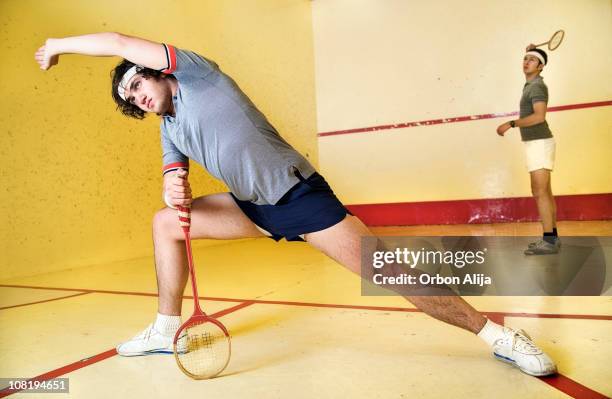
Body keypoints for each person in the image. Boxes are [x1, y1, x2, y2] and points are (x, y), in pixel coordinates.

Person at [35, 32, 556, 376]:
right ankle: (167, 326)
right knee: (165, 222)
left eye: (136, 82)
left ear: (157, 72)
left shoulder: (197, 73)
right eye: (129, 99)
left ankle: (499, 336)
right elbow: (176, 177)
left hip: (298, 196)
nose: (136, 96)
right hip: (252, 206)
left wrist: (60, 43)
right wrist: (175, 190)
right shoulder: (170, 126)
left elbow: (120, 41)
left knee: (388, 270)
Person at [497, 45, 560, 255]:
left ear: (541, 67)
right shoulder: (530, 85)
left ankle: (549, 241)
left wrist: (511, 124)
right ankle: (552, 238)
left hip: (540, 143)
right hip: (538, 143)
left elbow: (539, 117)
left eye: (532, 60)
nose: (526, 62)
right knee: (546, 192)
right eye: (525, 58)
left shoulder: (537, 87)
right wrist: (534, 50)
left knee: (539, 191)